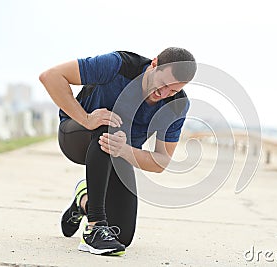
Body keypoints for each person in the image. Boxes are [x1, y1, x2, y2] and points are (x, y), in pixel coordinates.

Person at [39, 47, 196, 256]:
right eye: (164, 84)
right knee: (109, 126)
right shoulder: (118, 65)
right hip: (76, 136)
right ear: (154, 64)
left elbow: (160, 162)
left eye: (173, 91)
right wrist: (86, 118)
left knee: (121, 236)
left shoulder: (176, 106)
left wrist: (124, 150)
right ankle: (94, 227)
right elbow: (51, 77)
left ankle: (83, 201)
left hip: (115, 153)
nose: (164, 94)